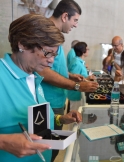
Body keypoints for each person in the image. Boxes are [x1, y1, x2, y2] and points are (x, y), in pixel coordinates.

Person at [0, 14, 82, 162]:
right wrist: (3, 142)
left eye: (54, 55)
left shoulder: (33, 76)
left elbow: (36, 120)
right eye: (47, 53)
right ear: (23, 44)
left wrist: (59, 119)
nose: (51, 62)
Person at [37, 0, 98, 160]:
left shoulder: (54, 35)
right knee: (49, 151)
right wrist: (77, 85)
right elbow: (43, 70)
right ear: (65, 16)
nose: (76, 25)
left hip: (55, 101)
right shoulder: (49, 35)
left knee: (53, 148)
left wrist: (70, 75)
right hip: (49, 101)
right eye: (75, 20)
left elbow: (51, 66)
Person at [67, 42, 91, 130]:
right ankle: (71, 137)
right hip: (75, 94)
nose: (88, 51)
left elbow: (80, 76)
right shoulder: (77, 62)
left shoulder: (78, 61)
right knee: (74, 117)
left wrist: (87, 78)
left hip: (77, 92)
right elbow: (74, 78)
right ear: (83, 51)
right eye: (87, 49)